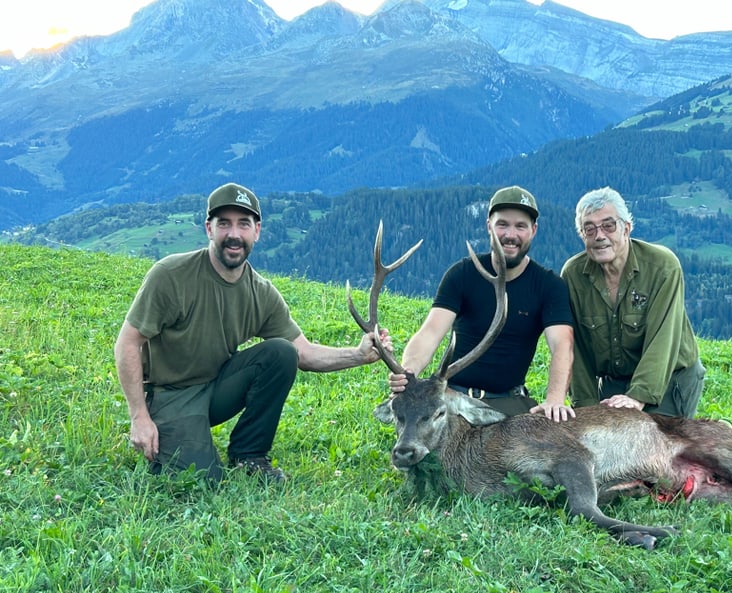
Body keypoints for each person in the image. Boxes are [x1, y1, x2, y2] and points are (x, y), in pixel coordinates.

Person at [114, 182, 390, 483]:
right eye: (224, 224)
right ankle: (175, 435)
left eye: (243, 224)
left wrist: (359, 354)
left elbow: (304, 353)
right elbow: (128, 343)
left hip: (216, 387)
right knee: (202, 481)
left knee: (281, 353)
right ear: (209, 229)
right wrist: (139, 417)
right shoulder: (170, 275)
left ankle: (249, 455)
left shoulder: (261, 292)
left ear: (257, 231)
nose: (234, 235)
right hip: (170, 396)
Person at [388, 186, 575, 421]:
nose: (510, 235)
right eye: (502, 224)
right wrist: (409, 373)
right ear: (489, 226)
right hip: (453, 399)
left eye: (520, 226)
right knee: (421, 451)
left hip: (508, 403)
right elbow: (430, 333)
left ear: (533, 230)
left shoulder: (548, 286)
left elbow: (562, 346)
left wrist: (555, 399)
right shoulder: (463, 274)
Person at [560, 186, 704, 418]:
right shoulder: (573, 276)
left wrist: (639, 397)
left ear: (626, 228)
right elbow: (576, 348)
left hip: (669, 379)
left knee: (656, 446)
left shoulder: (663, 267)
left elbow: (663, 337)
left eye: (609, 225)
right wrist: (586, 409)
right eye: (589, 229)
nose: (599, 236)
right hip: (615, 383)